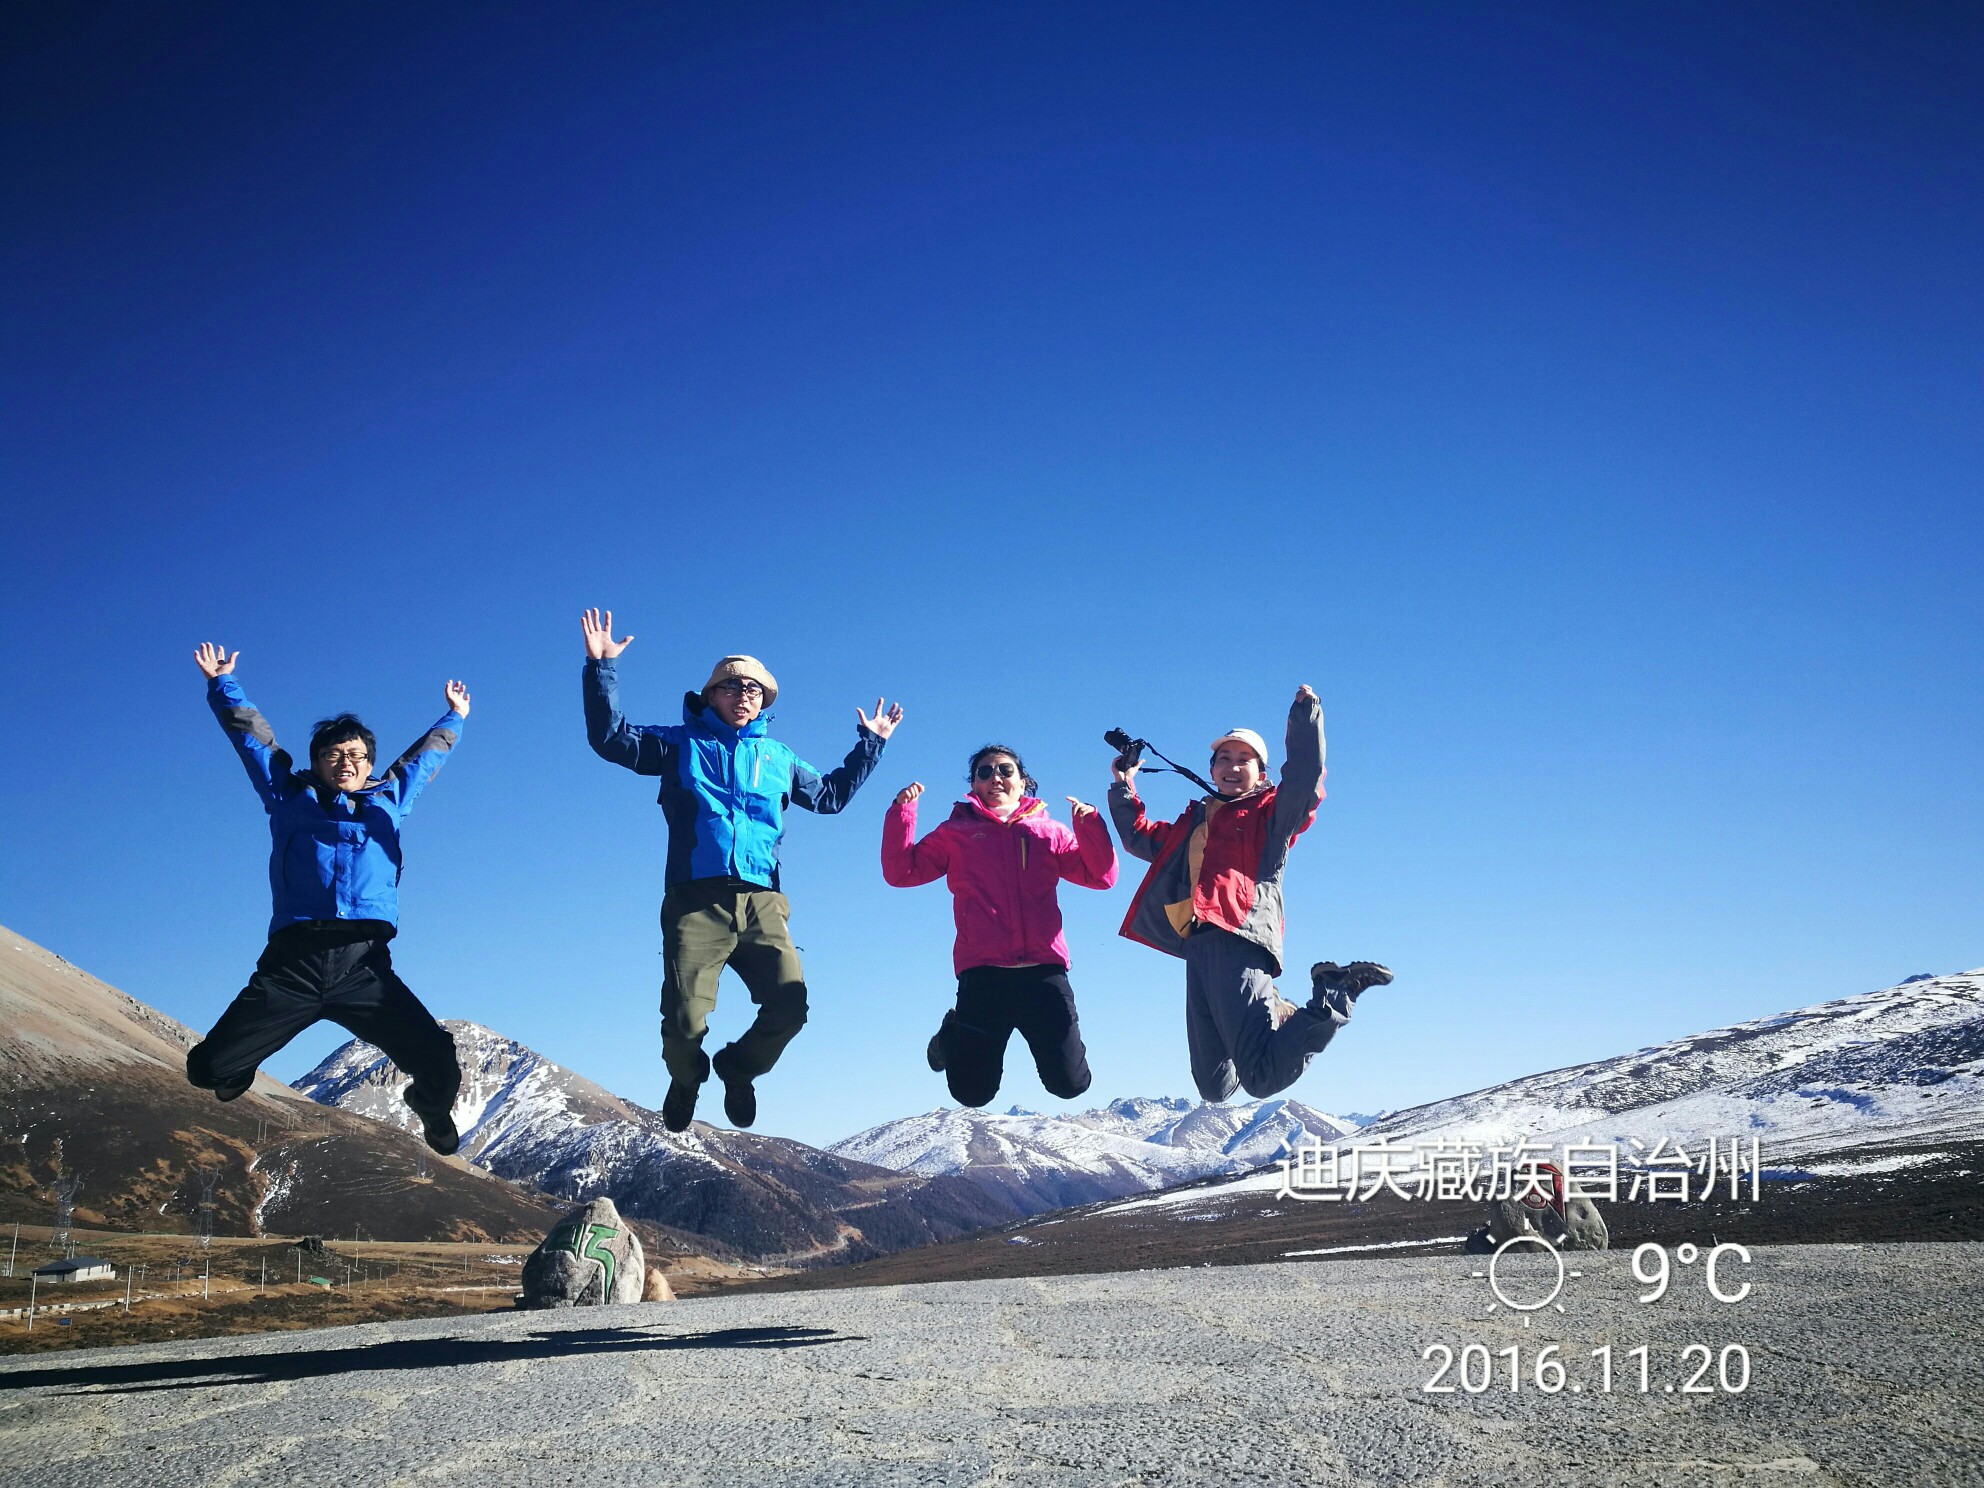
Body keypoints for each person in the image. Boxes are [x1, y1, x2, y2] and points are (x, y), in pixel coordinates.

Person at [581, 607, 902, 1132]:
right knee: (684, 1025)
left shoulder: (778, 757)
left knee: (790, 1006)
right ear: (710, 696)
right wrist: (600, 669)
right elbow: (610, 739)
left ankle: (738, 1068)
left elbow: (831, 797)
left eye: (754, 689)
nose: (744, 694)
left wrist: (872, 744)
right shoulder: (676, 744)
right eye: (731, 686)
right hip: (695, 900)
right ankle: (686, 1081)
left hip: (763, 902)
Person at [185, 642, 468, 1154]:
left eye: (357, 756)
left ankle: (429, 1108)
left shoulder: (389, 800)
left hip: (364, 968)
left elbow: (423, 761)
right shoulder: (288, 797)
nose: (346, 762)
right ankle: (238, 1067)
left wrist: (455, 715)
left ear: (370, 765)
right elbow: (253, 741)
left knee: (442, 1064)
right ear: (316, 761)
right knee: (207, 1070)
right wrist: (222, 683)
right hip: (292, 965)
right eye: (334, 754)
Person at [1108, 685, 1391, 1103]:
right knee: (1216, 1088)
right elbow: (1138, 839)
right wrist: (1123, 785)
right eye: (1224, 758)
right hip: (1196, 949)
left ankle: (1334, 993)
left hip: (1239, 939)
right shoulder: (1195, 822)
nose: (1233, 766)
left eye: (1245, 760)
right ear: (1212, 768)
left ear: (1262, 773)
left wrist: (1304, 716)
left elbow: (1305, 776)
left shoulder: (1271, 815)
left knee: (1259, 1079)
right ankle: (1277, 1007)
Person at [882, 746, 1117, 1108]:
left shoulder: (1050, 832)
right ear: (973, 785)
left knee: (1071, 1085)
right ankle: (952, 1036)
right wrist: (902, 813)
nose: (996, 778)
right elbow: (901, 873)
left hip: (1044, 971)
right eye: (985, 772)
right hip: (984, 974)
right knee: (972, 1094)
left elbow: (1101, 877)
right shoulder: (955, 833)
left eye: (1006, 770)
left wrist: (1089, 826)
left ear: (1023, 781)